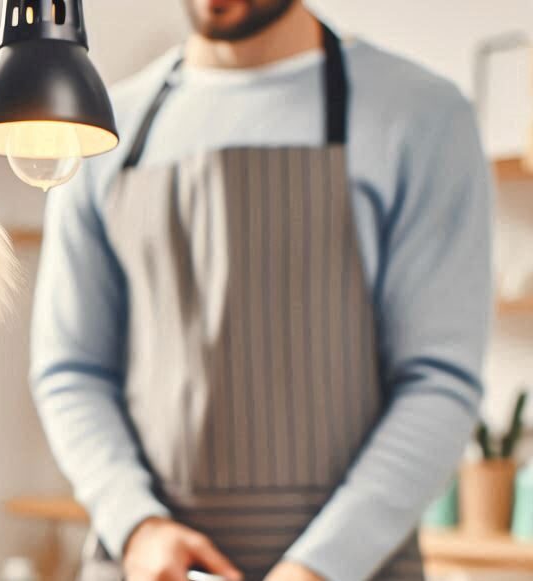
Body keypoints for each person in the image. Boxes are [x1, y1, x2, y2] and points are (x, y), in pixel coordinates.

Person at [29, 1, 492, 580]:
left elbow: (438, 380)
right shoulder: (101, 126)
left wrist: (319, 564)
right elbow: (70, 369)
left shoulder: (422, 115)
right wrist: (138, 524)